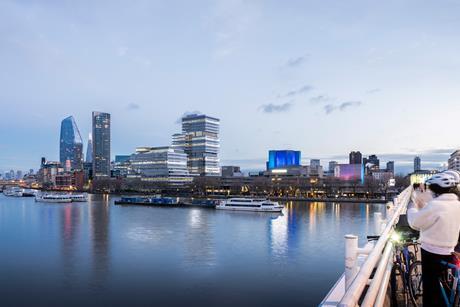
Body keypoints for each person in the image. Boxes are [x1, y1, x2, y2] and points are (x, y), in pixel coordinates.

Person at [407, 172, 460, 307]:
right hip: (451, 251)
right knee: (448, 286)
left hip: (431, 253)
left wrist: (412, 207)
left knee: (431, 290)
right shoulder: (456, 204)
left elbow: (415, 222)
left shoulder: (436, 205)